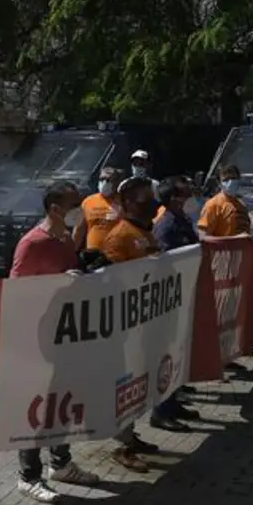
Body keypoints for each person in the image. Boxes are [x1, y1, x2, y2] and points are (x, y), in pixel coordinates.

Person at [9, 181, 101, 503]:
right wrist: (57, 283)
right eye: (74, 204)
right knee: (36, 408)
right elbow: (17, 293)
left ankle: (60, 464)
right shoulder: (31, 243)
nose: (80, 209)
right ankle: (28, 476)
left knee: (63, 402)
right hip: (37, 338)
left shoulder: (66, 239)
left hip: (65, 335)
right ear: (54, 209)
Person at [100, 176, 163, 471]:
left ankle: (130, 435)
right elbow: (112, 281)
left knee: (139, 383)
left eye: (150, 195)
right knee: (124, 385)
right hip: (125, 326)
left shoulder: (146, 232)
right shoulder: (119, 236)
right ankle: (122, 445)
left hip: (144, 323)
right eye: (143, 197)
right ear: (127, 202)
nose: (151, 202)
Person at [150, 176, 202, 432]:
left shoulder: (182, 220)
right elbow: (162, 264)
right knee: (166, 355)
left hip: (184, 296)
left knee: (179, 352)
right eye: (186, 194)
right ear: (173, 199)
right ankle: (161, 411)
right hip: (170, 301)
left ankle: (173, 402)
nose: (191, 198)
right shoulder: (166, 226)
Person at [76, 167, 123, 253]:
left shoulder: (124, 202)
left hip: (115, 254)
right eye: (101, 179)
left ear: (117, 182)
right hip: (92, 254)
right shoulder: (88, 202)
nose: (104, 183)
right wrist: (73, 251)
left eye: (108, 180)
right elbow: (79, 230)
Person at [198, 164, 251, 238]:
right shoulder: (213, 205)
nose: (231, 182)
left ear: (239, 180)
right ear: (219, 183)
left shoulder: (242, 206)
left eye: (233, 178)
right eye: (226, 180)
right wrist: (228, 241)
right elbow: (203, 236)